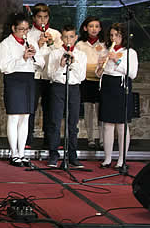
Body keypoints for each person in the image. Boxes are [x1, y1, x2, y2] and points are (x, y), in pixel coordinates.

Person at [0, 14, 43, 167]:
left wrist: (34, 55)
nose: (24, 32)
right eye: (21, 29)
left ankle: (22, 153)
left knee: (25, 117)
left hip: (29, 79)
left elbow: (41, 63)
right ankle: (14, 153)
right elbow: (4, 66)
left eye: (26, 29)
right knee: (14, 117)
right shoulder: (6, 44)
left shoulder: (31, 42)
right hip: (14, 80)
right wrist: (22, 58)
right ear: (13, 28)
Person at [96, 23, 138, 169]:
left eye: (117, 35)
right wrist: (100, 66)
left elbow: (132, 73)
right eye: (112, 35)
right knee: (107, 124)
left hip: (121, 87)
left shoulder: (130, 53)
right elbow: (98, 73)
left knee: (121, 125)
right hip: (107, 86)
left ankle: (121, 159)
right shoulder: (105, 50)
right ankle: (107, 158)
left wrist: (116, 60)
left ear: (123, 37)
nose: (114, 38)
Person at [46, 25, 87, 168]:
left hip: (74, 88)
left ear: (75, 38)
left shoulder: (81, 55)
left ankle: (72, 155)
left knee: (72, 123)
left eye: (71, 37)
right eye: (65, 37)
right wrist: (61, 65)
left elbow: (81, 77)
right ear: (61, 38)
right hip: (58, 87)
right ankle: (53, 154)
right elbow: (50, 75)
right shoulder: (55, 53)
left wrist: (73, 63)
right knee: (55, 122)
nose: (68, 40)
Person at [26, 3, 62, 148]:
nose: (43, 21)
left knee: (51, 110)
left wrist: (52, 43)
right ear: (34, 18)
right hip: (34, 77)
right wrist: (39, 45)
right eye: (39, 17)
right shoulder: (28, 34)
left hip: (50, 77)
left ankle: (51, 142)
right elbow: (29, 57)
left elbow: (60, 55)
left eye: (45, 17)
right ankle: (27, 140)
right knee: (30, 109)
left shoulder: (56, 34)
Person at [75, 16, 106, 150]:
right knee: (88, 110)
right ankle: (90, 138)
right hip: (86, 82)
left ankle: (103, 139)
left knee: (101, 111)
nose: (94, 29)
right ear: (85, 28)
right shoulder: (80, 45)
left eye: (97, 26)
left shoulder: (104, 44)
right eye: (91, 26)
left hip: (99, 82)